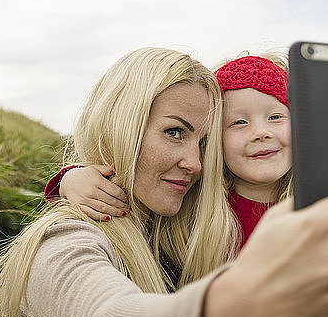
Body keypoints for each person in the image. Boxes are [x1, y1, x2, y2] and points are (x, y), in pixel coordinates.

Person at [0, 47, 328, 317]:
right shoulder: (64, 244)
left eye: (204, 143)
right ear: (119, 125)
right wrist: (237, 311)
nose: (194, 162)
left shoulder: (169, 219)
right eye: (174, 132)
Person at [48, 53, 292, 248]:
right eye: (239, 122)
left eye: (276, 116)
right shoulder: (196, 207)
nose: (261, 132)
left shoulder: (320, 196)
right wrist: (70, 180)